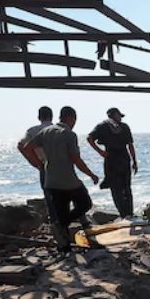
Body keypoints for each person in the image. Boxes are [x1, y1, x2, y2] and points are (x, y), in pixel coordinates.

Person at [23, 106, 100, 248]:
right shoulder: (69, 134)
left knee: (61, 210)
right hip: (69, 180)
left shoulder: (45, 132)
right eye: (74, 120)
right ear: (70, 118)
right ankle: (63, 224)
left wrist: (39, 164)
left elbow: (26, 147)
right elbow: (76, 159)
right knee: (85, 203)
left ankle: (64, 246)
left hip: (51, 180)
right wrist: (91, 174)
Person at [87, 107, 138, 219]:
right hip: (118, 158)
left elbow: (130, 145)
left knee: (120, 189)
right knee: (121, 188)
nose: (120, 118)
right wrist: (100, 151)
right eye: (119, 115)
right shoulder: (105, 126)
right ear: (114, 115)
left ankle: (126, 214)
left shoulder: (119, 126)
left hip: (115, 158)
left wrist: (134, 160)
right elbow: (89, 138)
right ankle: (127, 214)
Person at [17, 105, 56, 222]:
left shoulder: (32, 131)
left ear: (39, 117)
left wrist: (35, 162)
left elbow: (21, 146)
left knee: (48, 194)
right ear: (52, 116)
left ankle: (54, 219)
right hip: (60, 165)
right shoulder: (59, 129)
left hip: (43, 164)